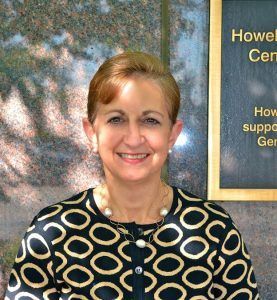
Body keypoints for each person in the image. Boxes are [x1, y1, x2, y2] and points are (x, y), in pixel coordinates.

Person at [5, 52, 259, 300]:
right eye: (116, 119)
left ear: (172, 134)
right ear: (92, 132)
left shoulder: (213, 229)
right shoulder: (52, 231)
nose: (134, 138)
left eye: (150, 120)